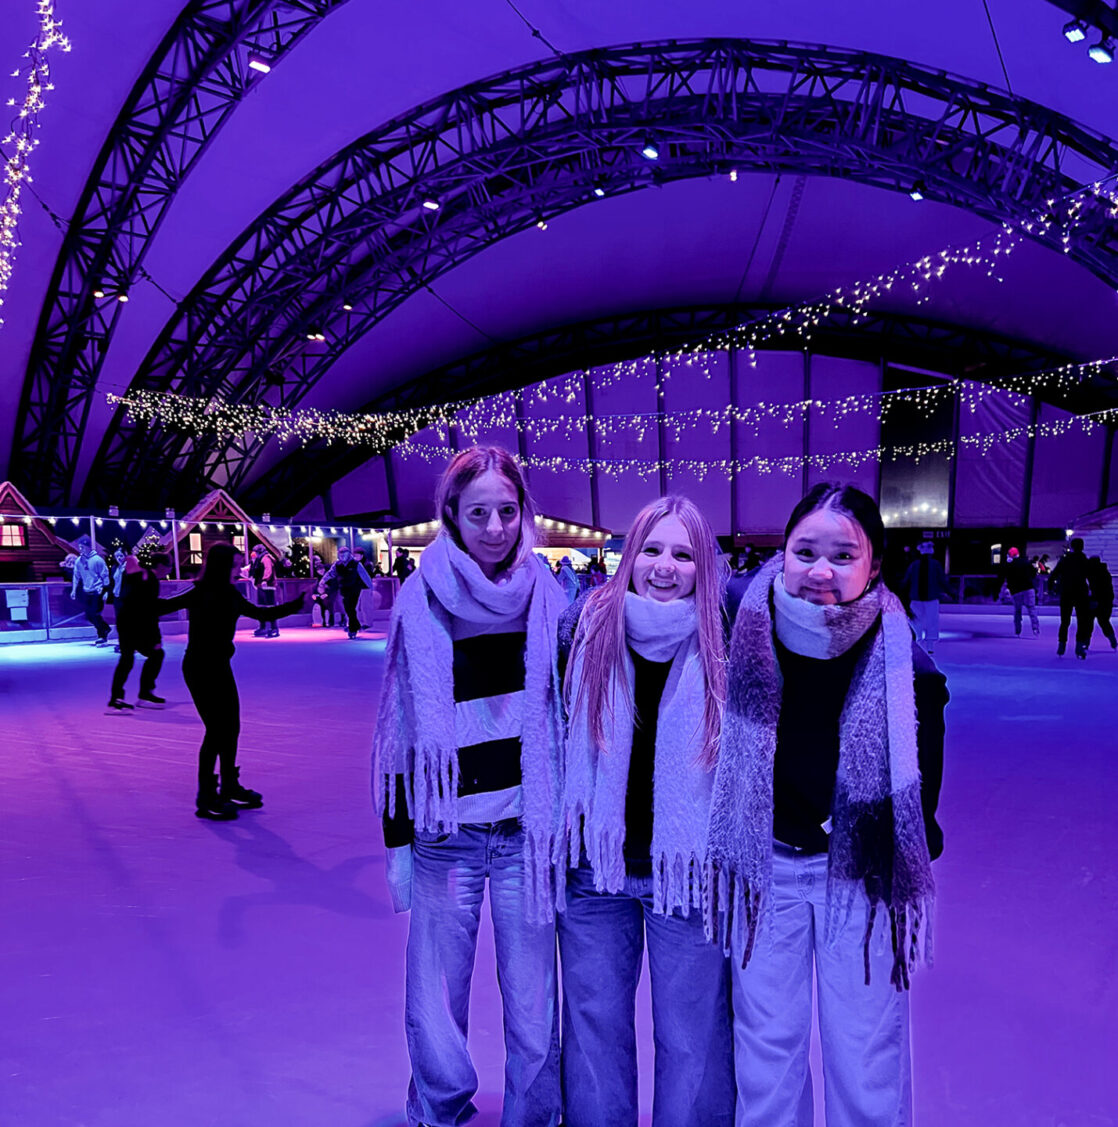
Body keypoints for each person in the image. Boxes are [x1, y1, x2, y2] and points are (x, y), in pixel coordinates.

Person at [707, 483, 947, 1127]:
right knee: (766, 1050)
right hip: (763, 869)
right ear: (782, 553)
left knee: (866, 1053)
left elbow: (920, 803)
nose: (820, 570)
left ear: (874, 566)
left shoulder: (904, 665)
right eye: (805, 551)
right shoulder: (740, 630)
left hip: (860, 876)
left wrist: (879, 839)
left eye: (844, 556)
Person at [372, 446, 567, 1127]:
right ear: (451, 512)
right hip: (446, 831)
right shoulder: (420, 595)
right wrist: (399, 839)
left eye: (506, 511)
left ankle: (534, 1115)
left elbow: (569, 711)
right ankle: (438, 1108)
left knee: (534, 996)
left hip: (524, 831)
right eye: (478, 512)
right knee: (435, 994)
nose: (494, 527)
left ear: (523, 512)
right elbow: (398, 729)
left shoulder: (547, 595)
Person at [558, 496, 734, 1127]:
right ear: (630, 555)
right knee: (593, 1031)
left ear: (704, 565)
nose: (664, 567)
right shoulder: (585, 627)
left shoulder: (726, 637)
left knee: (692, 1039)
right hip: (595, 867)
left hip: (686, 875)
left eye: (683, 554)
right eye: (652, 550)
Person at [156, 543, 303, 820]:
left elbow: (263, 614)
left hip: (220, 667)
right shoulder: (198, 591)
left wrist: (296, 604)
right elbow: (160, 606)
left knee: (231, 727)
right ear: (222, 566)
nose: (239, 570)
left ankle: (229, 785)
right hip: (199, 668)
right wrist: (136, 585)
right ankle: (206, 797)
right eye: (235, 566)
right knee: (216, 730)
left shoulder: (231, 594)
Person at [108, 551, 168, 711]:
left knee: (128, 659)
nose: (170, 570)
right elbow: (149, 610)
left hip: (127, 622)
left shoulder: (144, 576)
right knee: (154, 654)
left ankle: (118, 698)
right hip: (135, 625)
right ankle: (143, 694)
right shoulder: (150, 579)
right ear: (161, 566)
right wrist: (156, 638)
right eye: (169, 566)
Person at [902, 539, 949, 654]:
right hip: (930, 598)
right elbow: (942, 581)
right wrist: (950, 591)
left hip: (916, 598)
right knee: (931, 621)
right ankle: (929, 646)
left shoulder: (914, 565)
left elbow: (906, 581)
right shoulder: (935, 564)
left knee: (916, 621)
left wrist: (900, 592)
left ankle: (918, 642)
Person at [1051, 538, 1093, 659]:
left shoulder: (1065, 560)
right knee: (1082, 621)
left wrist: (1052, 588)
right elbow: (1091, 578)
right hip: (1081, 593)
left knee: (1065, 621)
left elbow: (1054, 574)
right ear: (1082, 547)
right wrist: (1093, 593)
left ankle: (1062, 644)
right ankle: (1079, 646)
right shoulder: (1084, 561)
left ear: (1072, 547)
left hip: (1067, 592)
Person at [71, 534, 112, 646]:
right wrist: (74, 590)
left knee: (95, 613)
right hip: (86, 591)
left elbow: (105, 575)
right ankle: (105, 628)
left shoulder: (97, 560)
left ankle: (101, 635)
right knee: (89, 615)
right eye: (79, 547)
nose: (81, 549)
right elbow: (76, 576)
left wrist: (106, 590)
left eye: (83, 547)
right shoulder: (79, 561)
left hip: (97, 591)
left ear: (88, 546)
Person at [324, 546, 372, 639]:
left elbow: (364, 575)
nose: (342, 556)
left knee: (351, 608)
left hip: (355, 588)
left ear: (348, 554)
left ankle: (352, 628)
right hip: (344, 589)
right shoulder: (337, 564)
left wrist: (370, 586)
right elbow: (331, 573)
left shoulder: (356, 563)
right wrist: (323, 581)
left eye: (344, 554)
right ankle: (356, 625)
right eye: (340, 554)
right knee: (348, 608)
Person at [1003, 546, 1040, 637]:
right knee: (1031, 609)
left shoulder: (1009, 565)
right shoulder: (1026, 562)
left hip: (1016, 591)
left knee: (1017, 610)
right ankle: (1035, 628)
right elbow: (1034, 573)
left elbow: (1007, 578)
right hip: (1028, 588)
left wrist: (1009, 587)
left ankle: (1018, 630)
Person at [1087, 555, 1117, 651]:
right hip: (1106, 601)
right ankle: (1113, 641)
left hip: (1097, 600)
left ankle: (1085, 644)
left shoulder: (1092, 573)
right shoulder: (1104, 572)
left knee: (1089, 623)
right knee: (1104, 622)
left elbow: (1096, 588)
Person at [249, 545, 279, 638]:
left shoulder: (265, 558)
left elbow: (268, 569)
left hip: (267, 586)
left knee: (269, 607)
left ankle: (273, 628)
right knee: (262, 607)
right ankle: (264, 627)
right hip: (261, 585)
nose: (254, 554)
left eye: (255, 552)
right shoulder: (259, 559)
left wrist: (265, 580)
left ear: (259, 551)